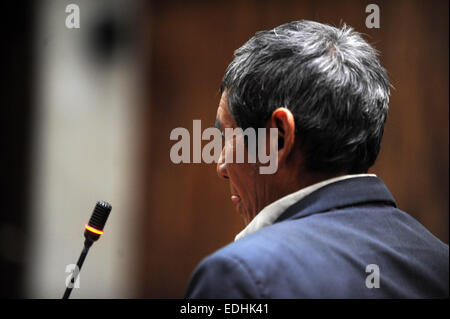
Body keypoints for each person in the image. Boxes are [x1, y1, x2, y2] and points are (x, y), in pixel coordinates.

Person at [185, 20, 449, 298]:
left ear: (278, 138)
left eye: (227, 136)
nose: (221, 167)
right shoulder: (441, 263)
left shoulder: (241, 276)